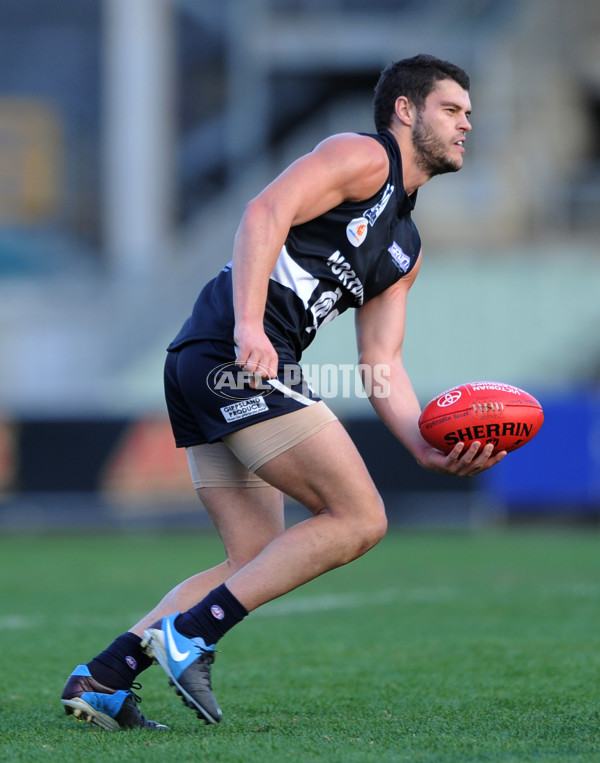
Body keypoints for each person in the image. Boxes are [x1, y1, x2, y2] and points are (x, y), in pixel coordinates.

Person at [60, 53, 506, 731]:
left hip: (207, 361)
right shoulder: (366, 157)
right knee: (361, 517)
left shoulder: (405, 246)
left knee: (253, 556)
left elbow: (380, 359)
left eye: (469, 114)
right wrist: (246, 324)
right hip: (232, 353)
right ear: (405, 110)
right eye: (451, 109)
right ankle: (190, 637)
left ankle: (105, 675)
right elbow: (264, 210)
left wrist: (424, 443)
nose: (466, 124)